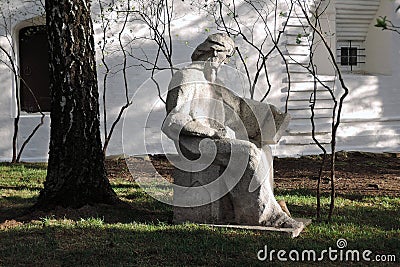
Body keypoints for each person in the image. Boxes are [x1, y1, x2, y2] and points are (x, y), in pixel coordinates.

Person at [163, 33, 303, 230]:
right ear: (214, 53)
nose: (226, 61)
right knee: (248, 153)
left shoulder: (210, 81)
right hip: (194, 142)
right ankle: (267, 217)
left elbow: (235, 106)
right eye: (226, 56)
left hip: (213, 139)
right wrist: (210, 132)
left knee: (262, 149)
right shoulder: (186, 77)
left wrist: (266, 116)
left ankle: (262, 206)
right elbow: (173, 121)